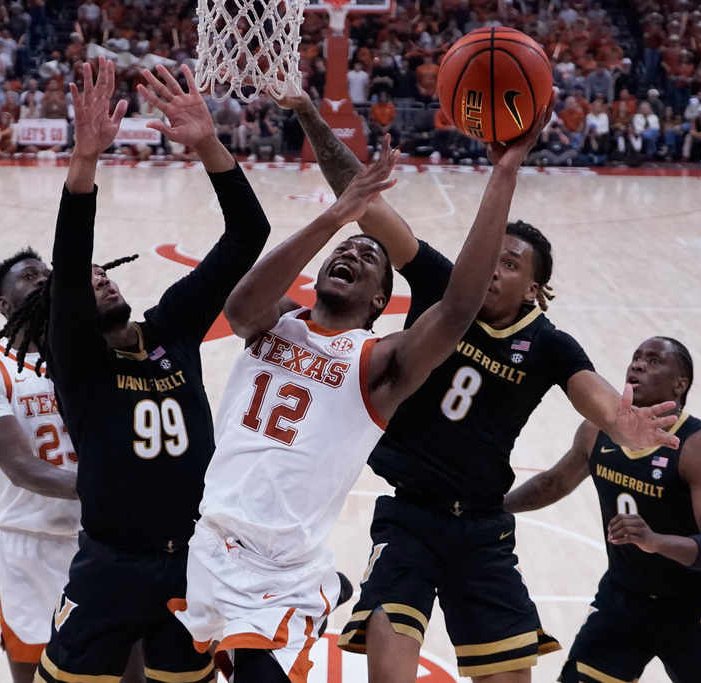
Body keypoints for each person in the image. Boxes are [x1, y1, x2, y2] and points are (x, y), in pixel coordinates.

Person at [276, 85, 680, 683]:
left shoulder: (550, 344)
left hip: (481, 528)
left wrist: (624, 424)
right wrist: (309, 114)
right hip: (410, 515)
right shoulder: (444, 282)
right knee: (388, 664)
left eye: (511, 264)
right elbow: (361, 201)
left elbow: (594, 393)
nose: (494, 267)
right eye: (494, 253)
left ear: (536, 290)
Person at [171, 93, 556, 683]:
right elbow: (240, 306)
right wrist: (333, 217)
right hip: (209, 544)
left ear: (381, 300)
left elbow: (458, 307)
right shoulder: (278, 320)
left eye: (370, 257)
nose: (352, 251)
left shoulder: (378, 364)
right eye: (343, 250)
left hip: (278, 572)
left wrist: (504, 172)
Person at [15, 58, 270, 683]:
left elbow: (248, 233)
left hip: (192, 563)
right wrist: (85, 161)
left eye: (106, 272)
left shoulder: (173, 326)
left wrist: (209, 144)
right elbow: (70, 263)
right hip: (110, 566)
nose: (97, 276)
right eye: (84, 282)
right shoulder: (80, 362)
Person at [504, 337, 701, 683]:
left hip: (694, 609)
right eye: (636, 357)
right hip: (623, 601)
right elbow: (553, 483)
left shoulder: (699, 446)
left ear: (681, 384)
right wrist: (494, 507)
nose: (638, 364)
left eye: (654, 360)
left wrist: (656, 541)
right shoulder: (597, 430)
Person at [0, 249, 80, 683]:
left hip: (99, 542)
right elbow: (20, 467)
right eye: (30, 277)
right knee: (33, 673)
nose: (45, 281)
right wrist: (112, 484)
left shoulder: (85, 356)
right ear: (4, 305)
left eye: (49, 274)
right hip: (30, 546)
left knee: (119, 668)